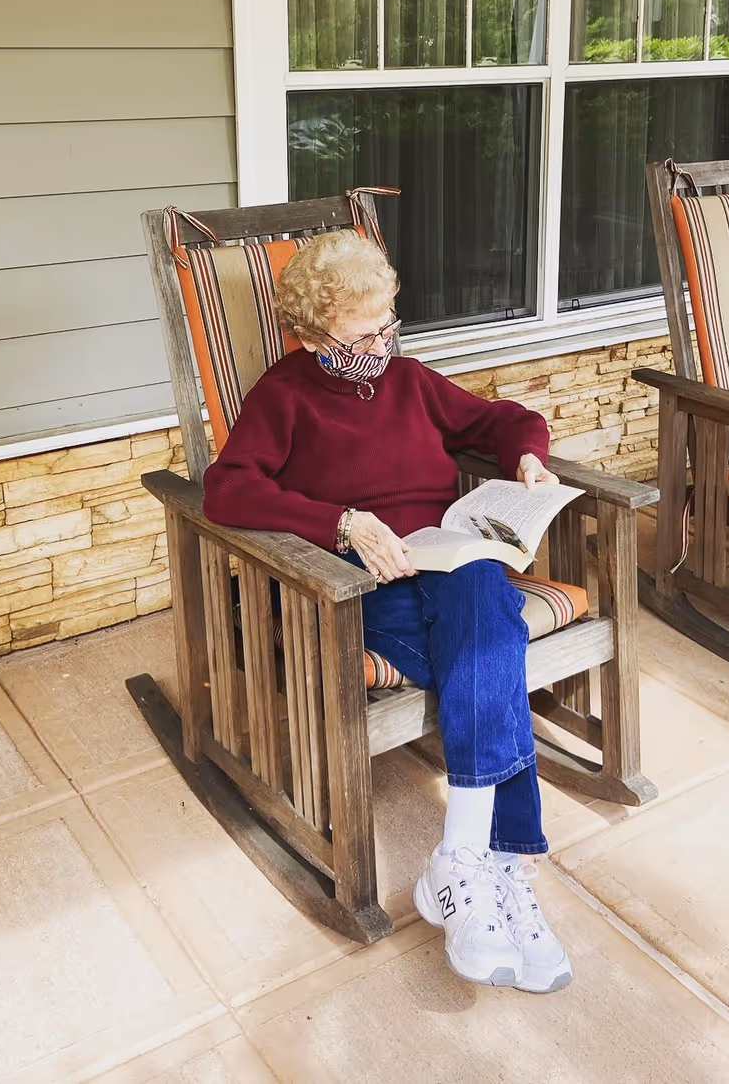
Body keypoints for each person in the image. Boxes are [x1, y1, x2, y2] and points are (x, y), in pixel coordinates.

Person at [202, 230, 572, 993]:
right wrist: (342, 522)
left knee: (478, 587)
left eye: (388, 325)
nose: (382, 344)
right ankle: (498, 865)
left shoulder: (406, 380)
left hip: (444, 558)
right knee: (493, 643)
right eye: (364, 333)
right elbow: (227, 488)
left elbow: (500, 420)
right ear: (313, 335)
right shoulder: (284, 396)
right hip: (361, 582)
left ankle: (463, 861)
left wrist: (527, 457)